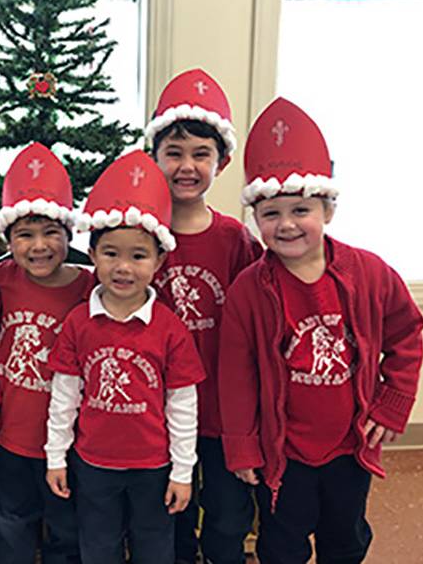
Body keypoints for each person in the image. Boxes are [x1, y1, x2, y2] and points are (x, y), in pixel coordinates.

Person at [218, 97, 423, 564]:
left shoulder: (369, 273)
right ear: (256, 219)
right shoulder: (248, 291)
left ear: (327, 211)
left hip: (350, 447)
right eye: (271, 213)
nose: (287, 224)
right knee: (281, 544)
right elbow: (235, 375)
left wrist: (393, 403)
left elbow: (407, 335)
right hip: (284, 452)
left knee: (345, 539)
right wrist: (243, 447)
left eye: (301, 210)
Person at [45, 150, 206, 564]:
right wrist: (56, 457)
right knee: (97, 547)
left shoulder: (170, 328)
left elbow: (183, 406)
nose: (123, 267)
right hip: (94, 464)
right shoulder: (79, 323)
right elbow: (64, 397)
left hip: (153, 466)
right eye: (110, 253)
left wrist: (182, 472)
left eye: (138, 255)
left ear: (159, 260)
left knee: (155, 547)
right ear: (93, 255)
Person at [144, 68, 263, 564]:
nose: (186, 166)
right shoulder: (137, 236)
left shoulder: (236, 241)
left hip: (219, 410)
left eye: (201, 154)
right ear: (153, 158)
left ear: (223, 161)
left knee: (227, 515)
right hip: (153, 412)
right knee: (166, 516)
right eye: (174, 153)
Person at [0, 142, 93, 564]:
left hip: (71, 441)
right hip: (12, 435)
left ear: (69, 234)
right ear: (8, 240)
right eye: (25, 235)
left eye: (51, 233)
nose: (39, 245)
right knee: (13, 521)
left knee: (66, 525)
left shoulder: (91, 288)